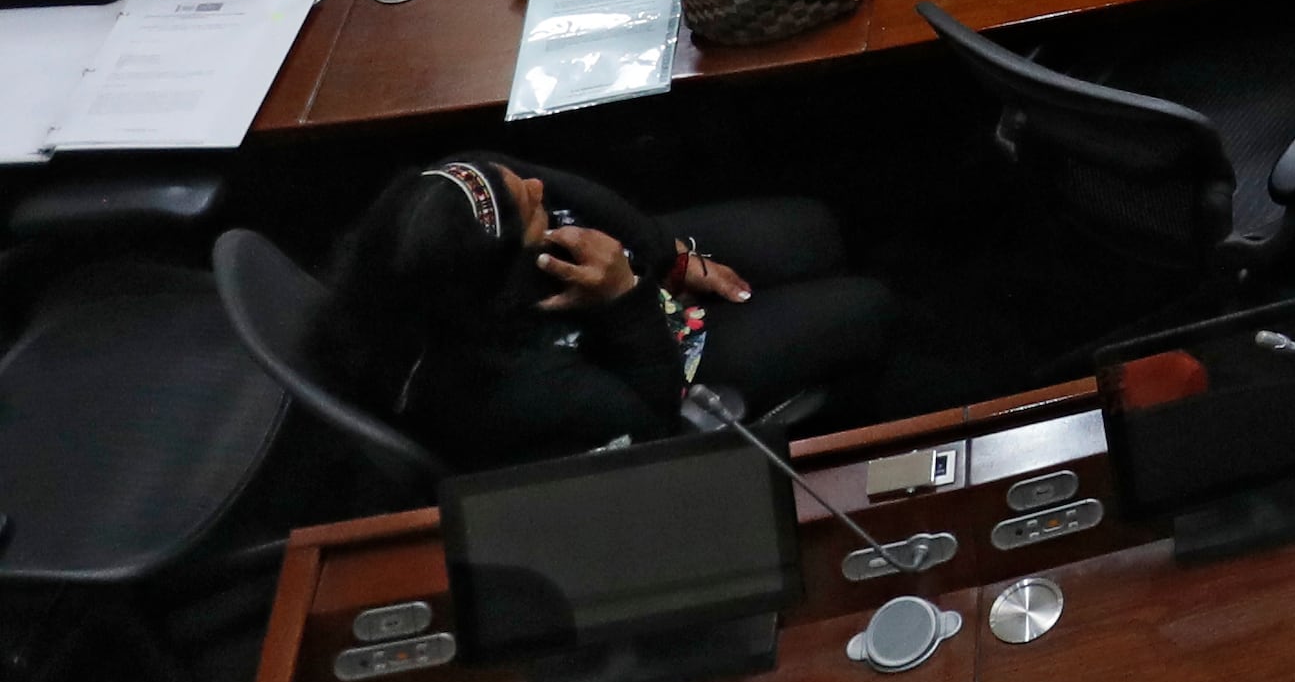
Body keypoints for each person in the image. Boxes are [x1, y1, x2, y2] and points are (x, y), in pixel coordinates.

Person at [313, 158, 888, 471]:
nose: (537, 186)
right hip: (638, 363)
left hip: (614, 289)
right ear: (507, 270)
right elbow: (649, 425)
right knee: (865, 305)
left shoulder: (430, 238)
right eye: (532, 209)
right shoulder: (513, 387)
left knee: (814, 229)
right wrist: (623, 297)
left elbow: (539, 179)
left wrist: (666, 257)